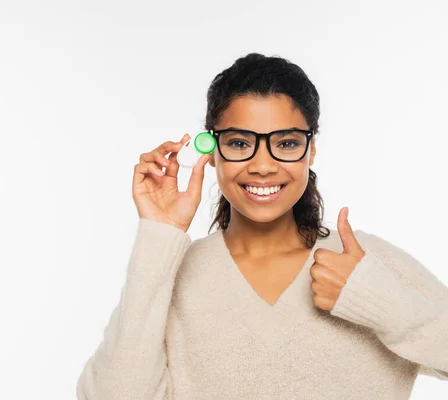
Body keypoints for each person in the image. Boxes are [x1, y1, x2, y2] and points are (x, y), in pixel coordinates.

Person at [76, 53, 448, 399]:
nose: (263, 165)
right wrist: (158, 234)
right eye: (239, 143)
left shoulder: (366, 265)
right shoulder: (170, 274)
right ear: (212, 149)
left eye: (286, 143)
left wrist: (376, 300)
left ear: (311, 148)